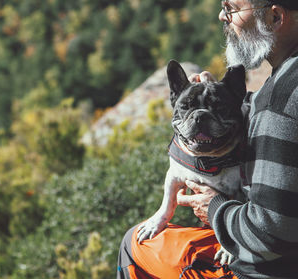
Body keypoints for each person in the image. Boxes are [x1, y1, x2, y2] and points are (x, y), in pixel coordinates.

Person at [117, 0, 298, 278]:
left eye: (231, 8)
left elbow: (272, 235)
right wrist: (217, 99)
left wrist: (214, 208)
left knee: (134, 245)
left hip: (263, 268)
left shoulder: (281, 102)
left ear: (274, 17)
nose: (221, 16)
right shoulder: (283, 83)